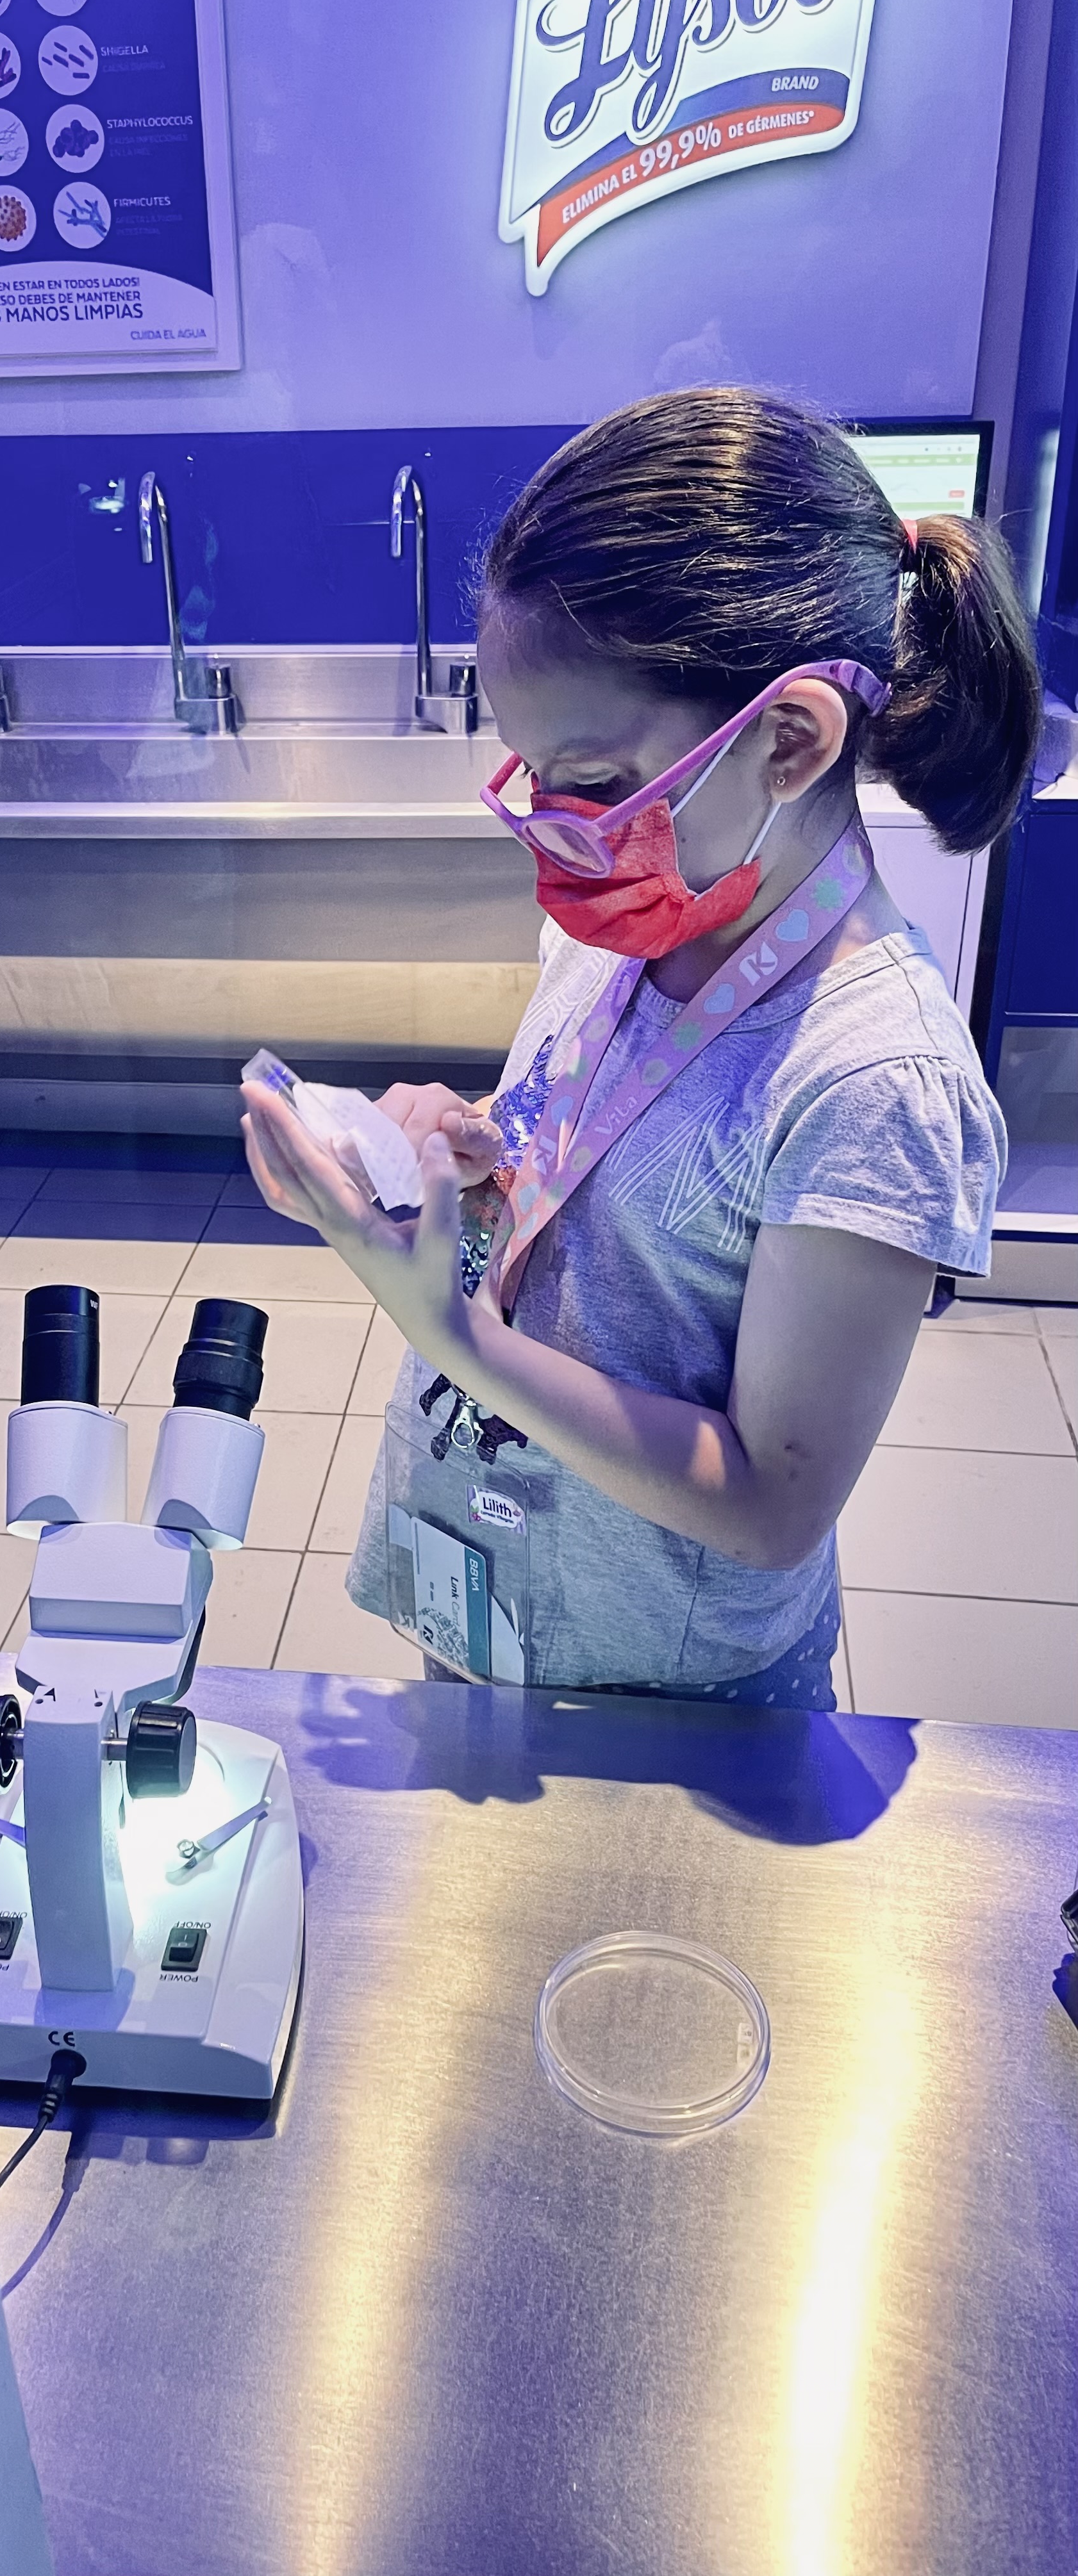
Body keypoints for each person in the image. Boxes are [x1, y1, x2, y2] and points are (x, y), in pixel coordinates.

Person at [240, 388, 1041, 1709]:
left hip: (669, 1698)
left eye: (596, 783)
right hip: (498, 1596)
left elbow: (774, 1503)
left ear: (791, 741)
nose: (560, 830)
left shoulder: (874, 1084)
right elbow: (604, 1168)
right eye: (532, 775)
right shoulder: (633, 926)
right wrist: (462, 1162)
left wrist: (451, 1332)